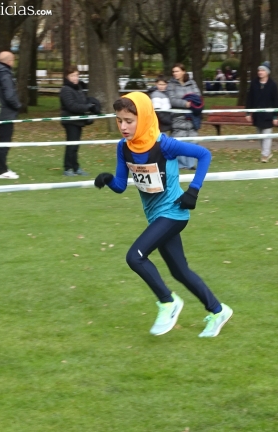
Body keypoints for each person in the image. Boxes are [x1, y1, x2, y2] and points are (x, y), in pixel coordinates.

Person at [93, 92, 233, 338]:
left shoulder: (163, 144)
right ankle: (218, 310)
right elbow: (120, 186)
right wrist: (108, 180)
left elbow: (204, 155)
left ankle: (168, 303)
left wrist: (193, 191)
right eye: (119, 120)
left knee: (135, 257)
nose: (123, 127)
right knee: (180, 271)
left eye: (129, 120)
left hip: (173, 213)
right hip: (155, 217)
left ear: (144, 118)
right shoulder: (124, 148)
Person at [0, 51, 22, 179]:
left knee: (3, 141)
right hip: (5, 113)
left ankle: (2, 168)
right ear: (9, 61)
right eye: (13, 60)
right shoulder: (5, 75)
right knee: (5, 141)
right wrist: (18, 106)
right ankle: (2, 170)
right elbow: (9, 95)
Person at [60, 65, 96, 176]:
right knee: (72, 145)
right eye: (72, 75)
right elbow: (71, 106)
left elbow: (82, 101)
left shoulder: (78, 88)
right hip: (70, 121)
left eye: (76, 75)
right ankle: (68, 168)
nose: (75, 78)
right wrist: (87, 107)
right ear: (67, 76)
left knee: (75, 145)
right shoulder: (66, 90)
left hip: (78, 121)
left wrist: (91, 104)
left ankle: (75, 167)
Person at [245, 61, 278, 163]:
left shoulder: (273, 85)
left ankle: (264, 155)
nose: (260, 72)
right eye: (259, 70)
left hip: (268, 115)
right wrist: (247, 113)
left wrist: (275, 116)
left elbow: (276, 101)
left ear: (267, 72)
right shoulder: (254, 83)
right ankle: (266, 152)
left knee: (267, 135)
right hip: (257, 115)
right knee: (260, 135)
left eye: (262, 70)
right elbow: (249, 99)